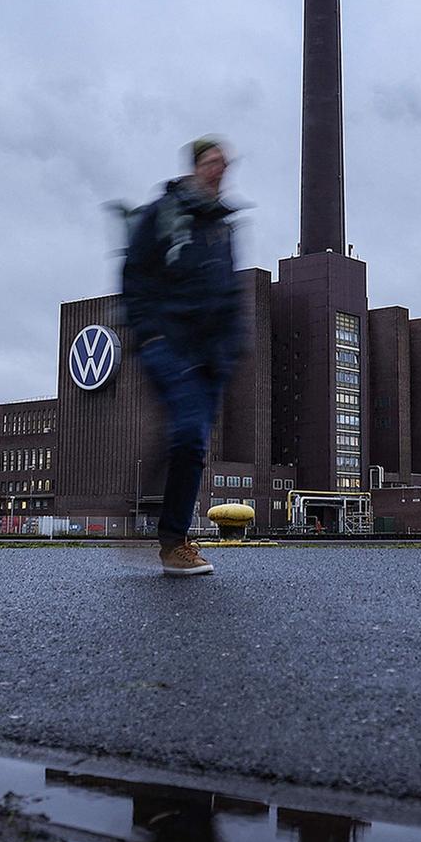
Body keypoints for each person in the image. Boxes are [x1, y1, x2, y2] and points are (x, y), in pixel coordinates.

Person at [120, 136, 244, 575]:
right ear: (194, 166)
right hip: (169, 345)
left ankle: (163, 516)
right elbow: (134, 274)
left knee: (191, 446)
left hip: (211, 355)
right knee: (190, 433)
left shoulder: (223, 226)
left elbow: (230, 291)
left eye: (224, 164)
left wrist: (233, 345)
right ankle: (173, 541)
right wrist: (149, 334)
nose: (219, 170)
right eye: (211, 162)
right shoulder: (164, 214)